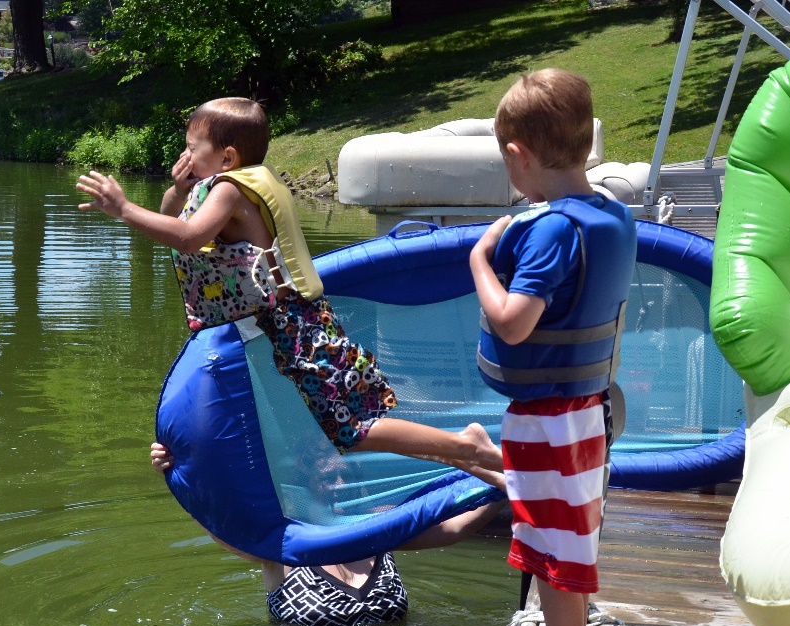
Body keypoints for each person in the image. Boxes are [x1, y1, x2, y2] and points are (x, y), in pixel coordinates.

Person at [76, 97, 504, 476]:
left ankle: (467, 447)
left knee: (354, 428)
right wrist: (177, 189)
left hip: (294, 327)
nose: (185, 156)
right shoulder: (221, 185)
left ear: (226, 158)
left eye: (192, 149)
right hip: (273, 329)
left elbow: (187, 238)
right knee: (339, 426)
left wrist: (124, 208)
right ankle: (474, 463)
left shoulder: (230, 191)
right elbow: (176, 220)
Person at [468, 69, 637, 626]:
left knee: (554, 540)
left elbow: (513, 325)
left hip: (551, 417)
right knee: (552, 537)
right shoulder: (610, 214)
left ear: (518, 155)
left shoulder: (551, 230)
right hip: (584, 407)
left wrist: (480, 262)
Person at [148, 441, 506, 626]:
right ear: (307, 484)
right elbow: (222, 528)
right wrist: (179, 472)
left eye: (344, 476)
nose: (338, 486)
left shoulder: (376, 527)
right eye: (327, 478)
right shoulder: (283, 542)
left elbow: (455, 528)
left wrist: (505, 488)